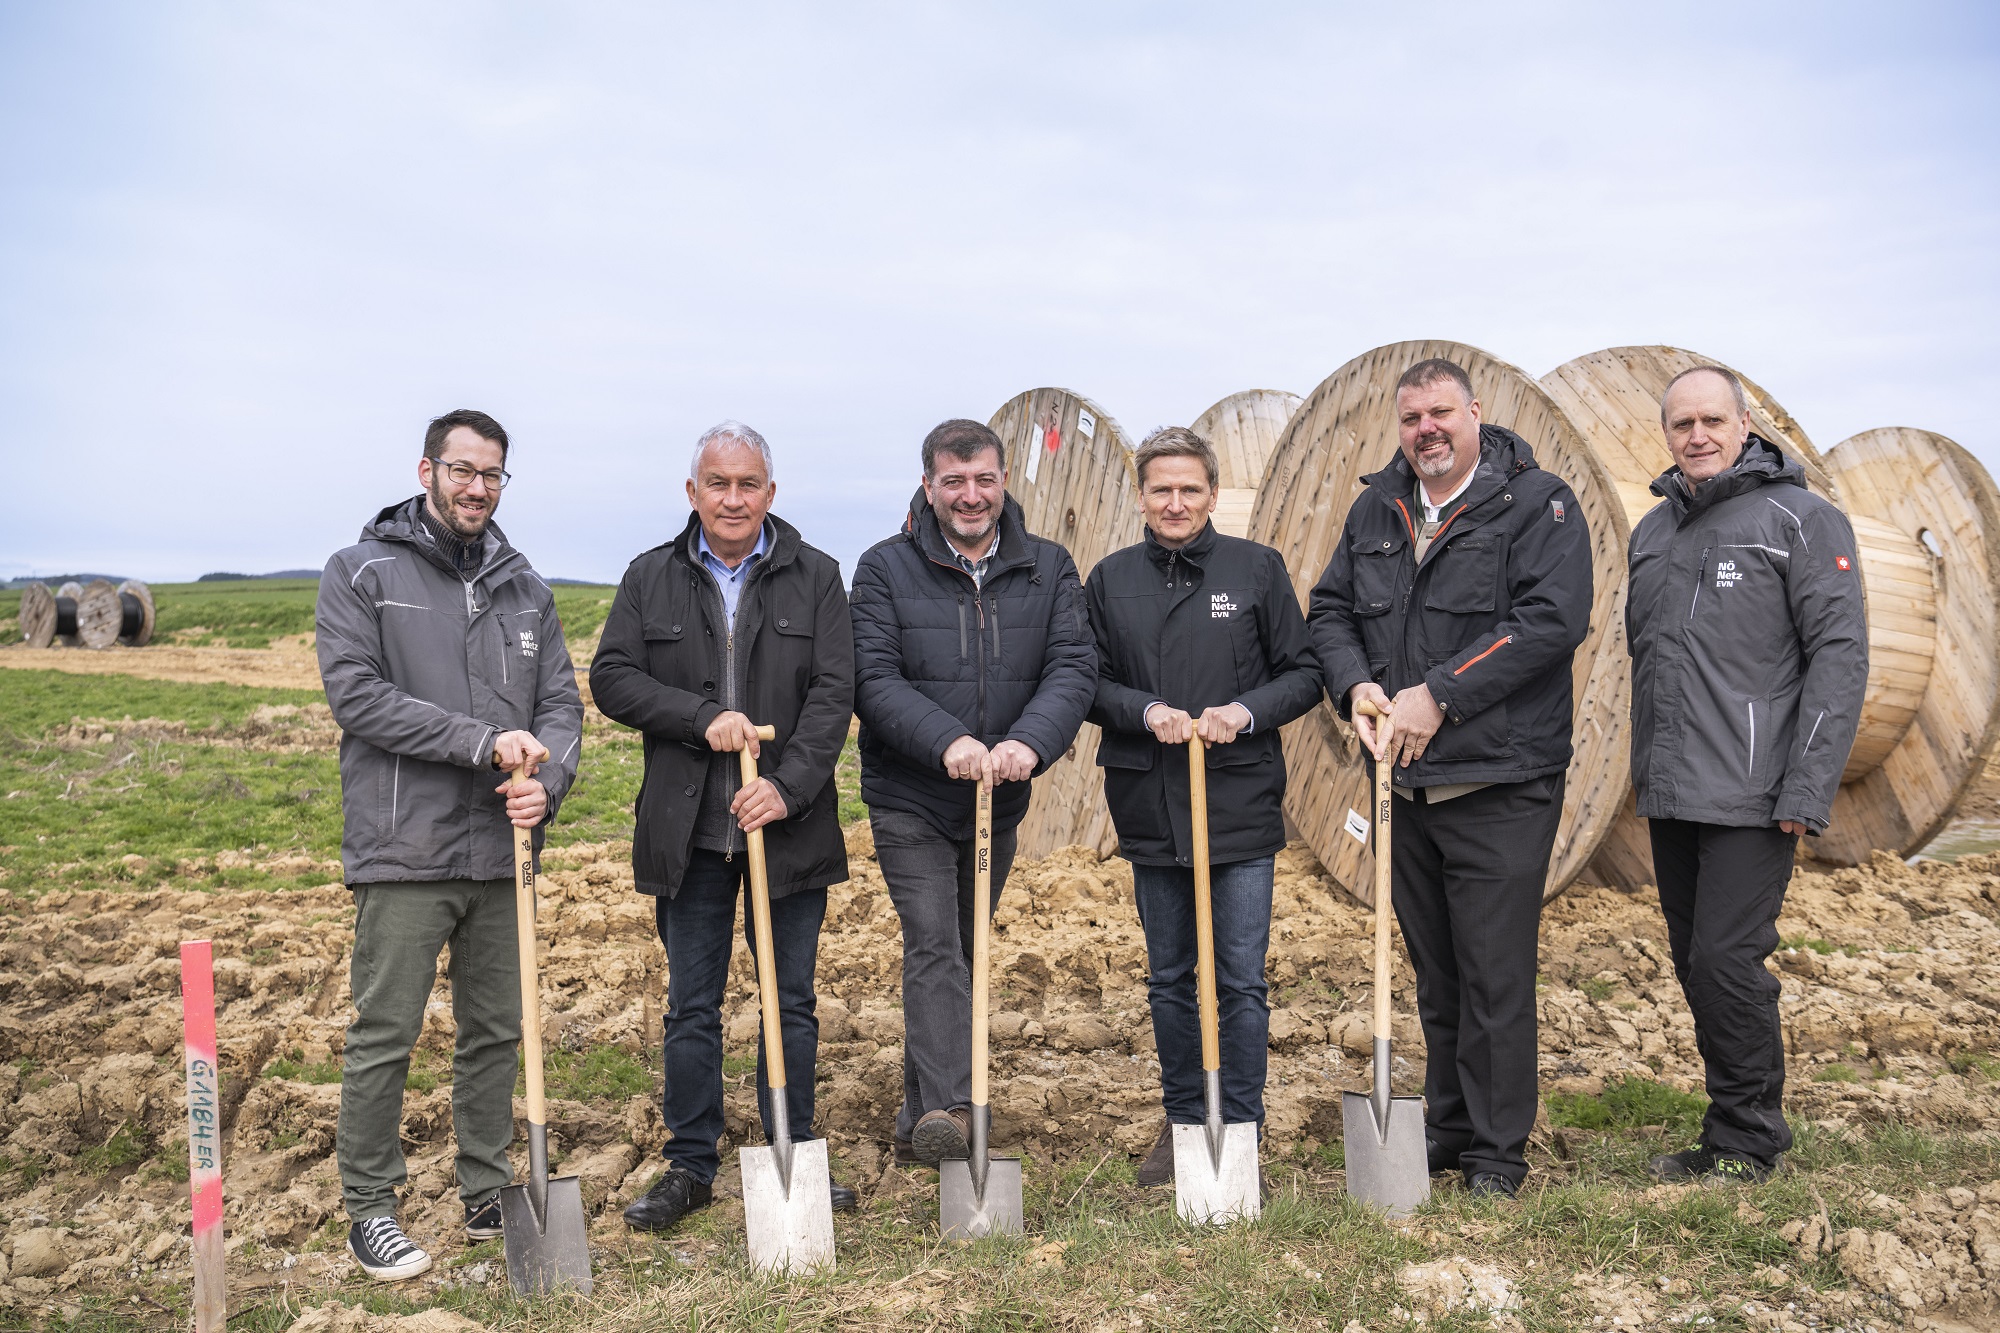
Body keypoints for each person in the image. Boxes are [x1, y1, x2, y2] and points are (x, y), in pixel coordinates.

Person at [1308, 358, 1592, 1199]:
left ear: (1475, 413)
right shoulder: (1378, 508)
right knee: (1438, 971)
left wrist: (1439, 693)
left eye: (1440, 413)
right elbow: (1330, 610)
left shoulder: (1536, 505)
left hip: (1499, 781)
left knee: (1493, 971)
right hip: (1403, 786)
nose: (1426, 430)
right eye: (1411, 418)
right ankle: (1453, 1123)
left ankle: (1499, 1153)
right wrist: (1356, 686)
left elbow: (1550, 621)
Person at [317, 408, 584, 1280]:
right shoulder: (361, 572)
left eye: (492, 473)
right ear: (426, 469)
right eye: (462, 469)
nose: (477, 487)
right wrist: (481, 742)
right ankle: (370, 1205)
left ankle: (484, 1187)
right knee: (386, 1030)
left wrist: (548, 781)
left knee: (496, 1029)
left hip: (502, 848)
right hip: (405, 846)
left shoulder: (525, 586)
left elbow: (560, 706)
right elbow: (359, 697)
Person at [590, 421, 857, 1233]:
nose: (733, 498)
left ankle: (791, 1145)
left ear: (770, 492)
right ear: (693, 491)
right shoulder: (651, 575)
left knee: (791, 999)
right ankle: (691, 1163)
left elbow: (834, 695)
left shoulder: (818, 576)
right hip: (690, 829)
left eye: (748, 484)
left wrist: (787, 787)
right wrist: (699, 716)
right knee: (691, 1004)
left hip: (788, 828)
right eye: (718, 483)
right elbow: (612, 678)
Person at [1628, 366, 1867, 1184]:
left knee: (1727, 960)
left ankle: (1748, 1140)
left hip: (1755, 791)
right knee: (1697, 963)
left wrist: (1807, 785)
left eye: (1711, 420)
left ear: (1745, 424)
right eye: (1682, 423)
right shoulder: (1653, 532)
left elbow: (1839, 657)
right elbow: (1648, 659)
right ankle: (1731, 1123)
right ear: (1667, 433)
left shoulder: (1801, 518)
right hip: (1673, 787)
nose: (1696, 436)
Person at [849, 418, 1095, 1165]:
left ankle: (918, 1114)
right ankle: (955, 1110)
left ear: (1003, 480)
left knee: (962, 949)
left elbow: (1072, 667)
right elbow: (873, 677)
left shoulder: (1048, 567)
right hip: (911, 795)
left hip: (999, 799)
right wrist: (946, 741)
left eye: (984, 479)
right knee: (934, 944)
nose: (970, 495)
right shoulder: (885, 567)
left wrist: (1030, 742)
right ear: (928, 485)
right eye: (953, 481)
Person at [1084, 427, 1322, 1186]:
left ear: (1212, 495)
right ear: (1141, 497)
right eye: (1162, 489)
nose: (1176, 502)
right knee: (1169, 977)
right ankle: (1186, 1120)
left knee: (1242, 979)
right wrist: (1144, 710)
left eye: (1190, 489)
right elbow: (1085, 681)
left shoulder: (1255, 569)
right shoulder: (1111, 579)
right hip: (1151, 803)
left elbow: (1304, 672)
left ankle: (1240, 1127)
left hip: (1239, 800)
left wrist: (1244, 712)